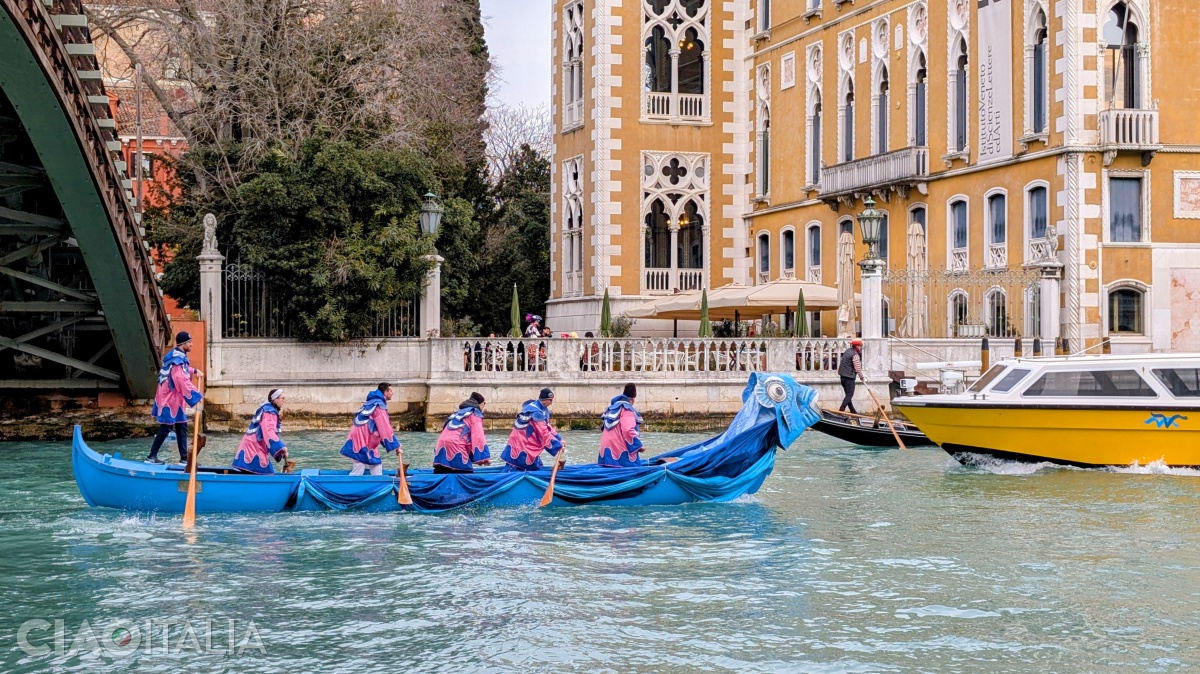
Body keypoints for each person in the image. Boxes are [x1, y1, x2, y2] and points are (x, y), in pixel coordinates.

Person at [146, 331, 204, 464]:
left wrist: (194, 371)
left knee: (181, 426)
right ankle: (151, 456)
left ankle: (184, 458)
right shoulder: (177, 360)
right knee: (166, 427)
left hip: (174, 398)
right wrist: (195, 395)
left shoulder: (177, 358)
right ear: (183, 344)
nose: (191, 344)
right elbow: (180, 378)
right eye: (189, 342)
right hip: (169, 398)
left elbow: (182, 371)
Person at [340, 383, 402, 476]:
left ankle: (377, 482)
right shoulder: (379, 405)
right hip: (362, 439)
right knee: (360, 464)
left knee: (374, 463)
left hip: (367, 439)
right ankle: (350, 486)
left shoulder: (372, 403)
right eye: (391, 391)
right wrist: (397, 446)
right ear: (385, 392)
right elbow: (385, 428)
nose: (392, 393)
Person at [501, 388, 565, 471]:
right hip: (523, 443)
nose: (551, 403)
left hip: (522, 441)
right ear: (545, 399)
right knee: (519, 463)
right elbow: (543, 433)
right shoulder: (536, 413)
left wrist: (559, 439)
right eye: (550, 400)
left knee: (522, 464)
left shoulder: (540, 409)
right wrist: (557, 446)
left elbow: (547, 427)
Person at [232, 389, 290, 474]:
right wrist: (281, 448)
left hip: (250, 445)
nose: (284, 401)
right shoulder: (270, 412)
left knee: (251, 471)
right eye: (282, 398)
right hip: (254, 447)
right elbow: (268, 432)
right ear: (275, 399)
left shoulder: (266, 409)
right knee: (266, 472)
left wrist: (280, 451)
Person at [434, 392, 492, 473]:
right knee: (466, 474)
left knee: (442, 470)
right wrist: (484, 458)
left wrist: (479, 459)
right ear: (480, 404)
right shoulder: (475, 414)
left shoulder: (459, 412)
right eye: (484, 404)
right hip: (456, 445)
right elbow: (478, 437)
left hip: (441, 444)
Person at [598, 383, 645, 467]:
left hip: (605, 455)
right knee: (634, 464)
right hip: (619, 454)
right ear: (633, 400)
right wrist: (639, 446)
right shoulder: (627, 409)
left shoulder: (610, 409)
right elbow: (628, 430)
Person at [838, 338, 865, 415]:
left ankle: (853, 411)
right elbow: (858, 369)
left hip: (842, 377)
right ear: (857, 346)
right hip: (849, 378)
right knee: (850, 395)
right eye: (860, 346)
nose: (861, 347)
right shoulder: (855, 355)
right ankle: (841, 410)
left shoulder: (847, 351)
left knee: (848, 395)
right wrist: (862, 377)